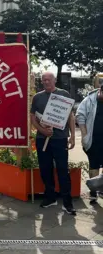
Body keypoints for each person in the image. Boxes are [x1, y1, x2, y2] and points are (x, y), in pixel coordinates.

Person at [30, 71, 76, 215]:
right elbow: (32, 118)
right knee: (45, 169)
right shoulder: (37, 97)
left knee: (63, 170)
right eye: (43, 80)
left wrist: (73, 135)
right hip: (42, 139)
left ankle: (67, 203)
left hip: (60, 139)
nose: (46, 82)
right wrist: (42, 131)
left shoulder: (64, 95)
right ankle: (50, 198)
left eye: (48, 79)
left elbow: (70, 116)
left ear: (54, 80)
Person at [76, 80, 103, 204]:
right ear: (100, 91)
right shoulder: (89, 100)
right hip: (93, 139)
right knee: (94, 165)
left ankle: (101, 188)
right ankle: (93, 192)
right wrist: (84, 135)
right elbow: (80, 116)